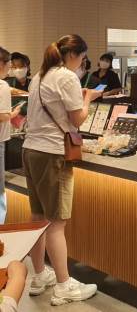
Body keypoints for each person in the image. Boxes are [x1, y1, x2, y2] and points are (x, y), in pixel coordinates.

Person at [23, 35, 102, 305]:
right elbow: (76, 119)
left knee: (37, 217)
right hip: (52, 154)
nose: (82, 63)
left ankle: (39, 276)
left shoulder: (39, 76)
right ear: (73, 55)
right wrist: (88, 99)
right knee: (56, 223)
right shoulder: (67, 77)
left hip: (31, 150)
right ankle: (64, 285)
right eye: (83, 58)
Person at [0, 48, 22, 223]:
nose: (11, 68)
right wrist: (14, 114)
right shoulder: (3, 86)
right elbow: (2, 116)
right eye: (10, 64)